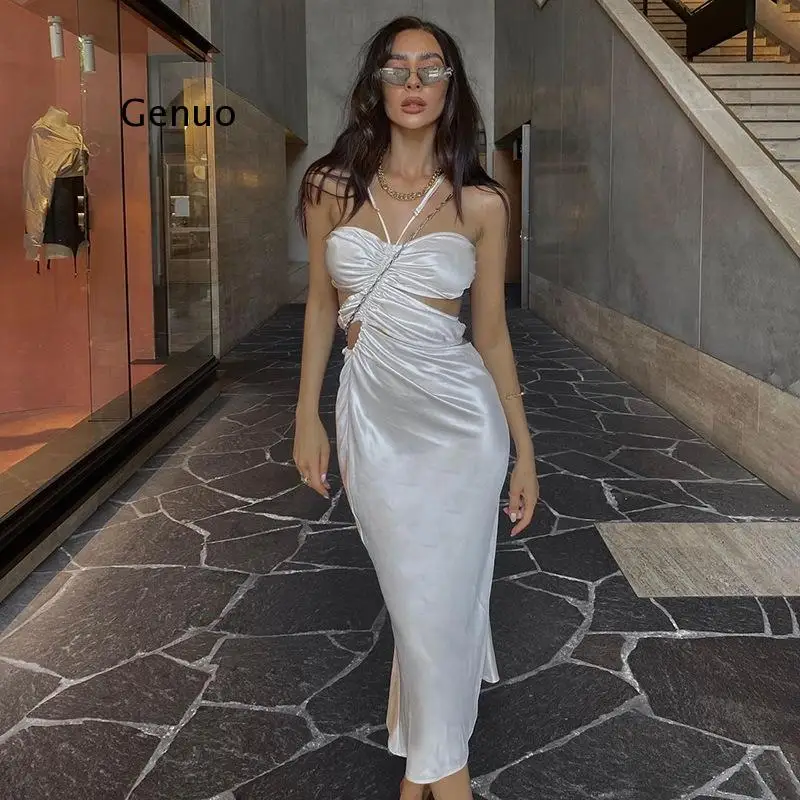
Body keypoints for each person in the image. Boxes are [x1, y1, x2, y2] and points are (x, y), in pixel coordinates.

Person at [293, 16, 538, 800]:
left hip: (462, 426)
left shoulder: (484, 203)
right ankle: (433, 775)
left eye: (431, 69)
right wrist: (306, 415)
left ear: (449, 88)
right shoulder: (329, 188)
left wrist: (524, 450)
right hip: (372, 419)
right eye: (397, 68)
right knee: (418, 602)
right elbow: (320, 306)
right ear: (376, 84)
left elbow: (491, 335)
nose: (413, 83)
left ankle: (434, 781)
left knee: (439, 608)